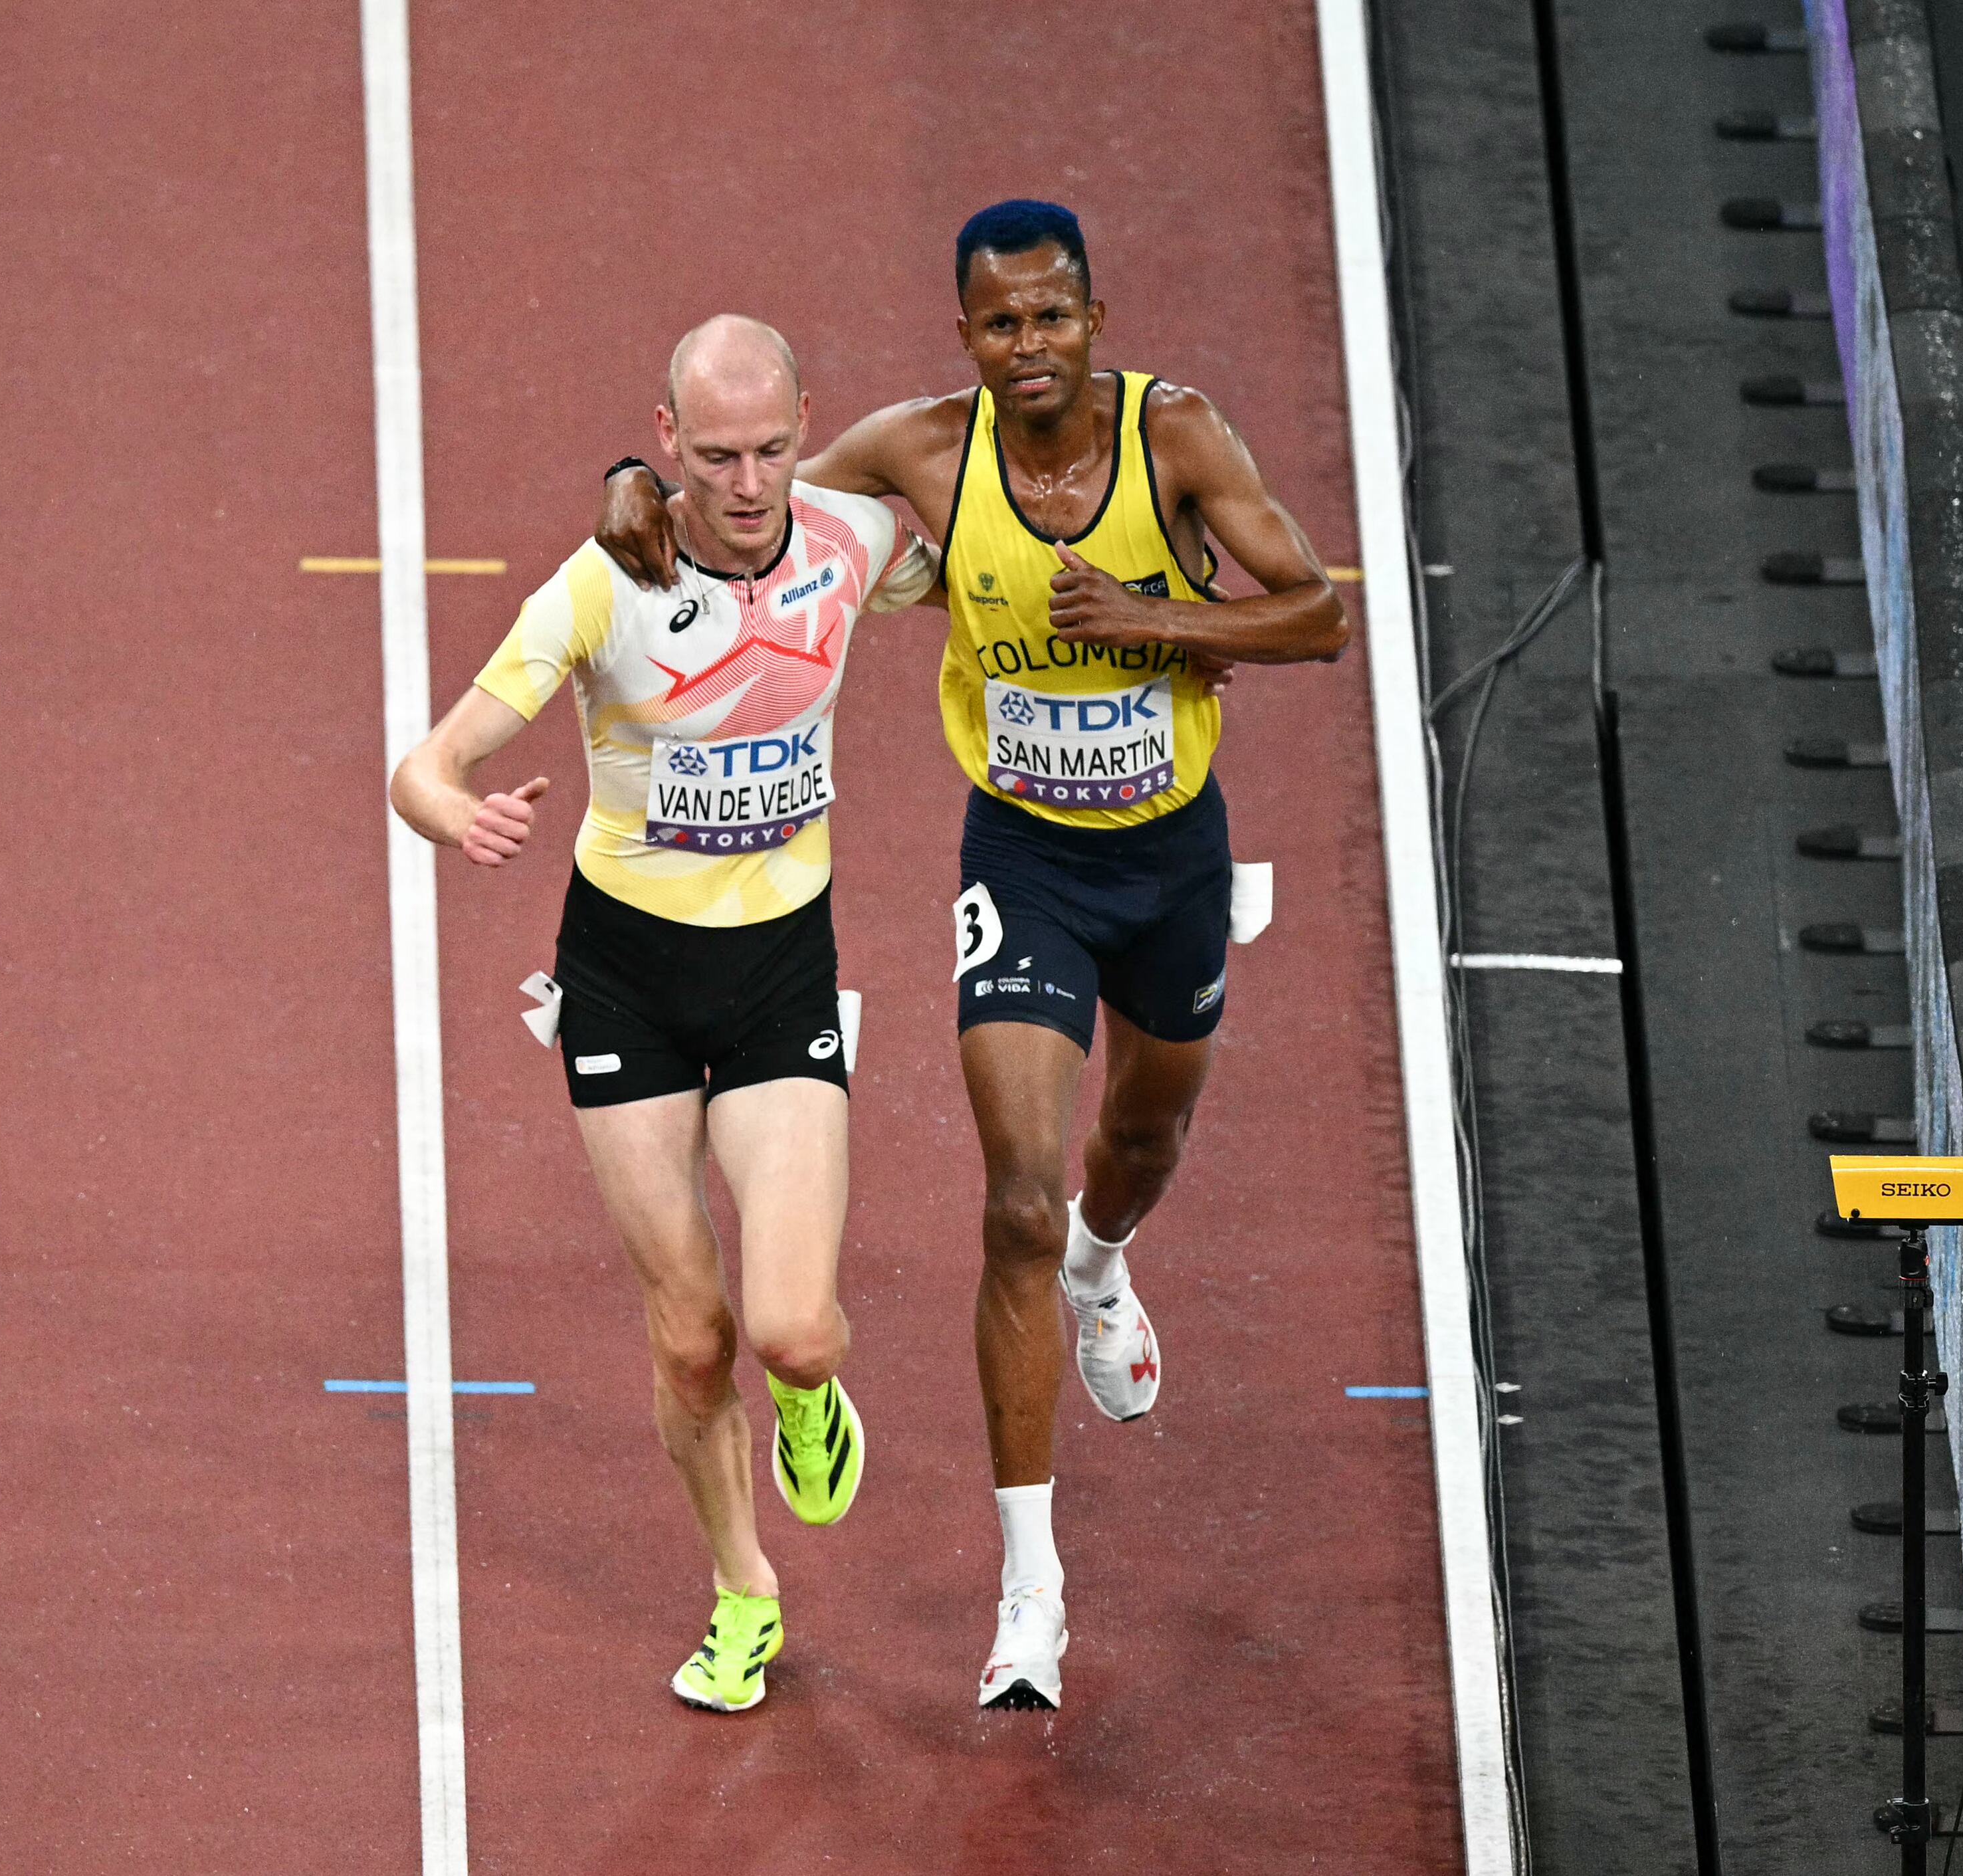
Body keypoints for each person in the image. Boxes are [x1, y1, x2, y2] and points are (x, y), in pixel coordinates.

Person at [596, 202, 1348, 1709]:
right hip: (1025, 859)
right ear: (965, 336)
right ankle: (1032, 1589)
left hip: (1172, 855)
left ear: (1096, 317)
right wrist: (628, 481)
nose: (1029, 347)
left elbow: (1320, 616)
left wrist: (1156, 617)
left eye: (1053, 318)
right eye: (1000, 324)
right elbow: (745, 511)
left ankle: (1106, 1257)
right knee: (1011, 1190)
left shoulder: (1179, 441)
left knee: (1138, 1141)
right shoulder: (921, 451)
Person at [392, 314, 938, 1714]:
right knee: (689, 1331)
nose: (748, 482)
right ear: (668, 438)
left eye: (772, 448)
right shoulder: (603, 584)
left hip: (779, 978)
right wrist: (458, 811)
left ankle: (813, 1396)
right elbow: (428, 762)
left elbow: (969, 515)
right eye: (716, 454)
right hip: (624, 977)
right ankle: (743, 1587)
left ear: (807, 423)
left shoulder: (851, 544)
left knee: (792, 1327)